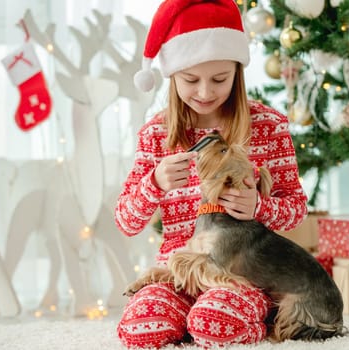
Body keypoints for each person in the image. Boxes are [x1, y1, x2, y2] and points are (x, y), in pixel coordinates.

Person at [115, 0, 308, 348]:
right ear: (172, 75)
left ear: (238, 72)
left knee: (217, 323)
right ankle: (189, 317)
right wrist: (154, 184)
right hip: (176, 272)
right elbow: (126, 221)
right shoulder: (157, 134)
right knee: (142, 328)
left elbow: (295, 210)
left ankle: (238, 318)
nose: (205, 92)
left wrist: (259, 208)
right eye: (191, 80)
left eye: (220, 79)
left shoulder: (268, 127)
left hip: (240, 275)